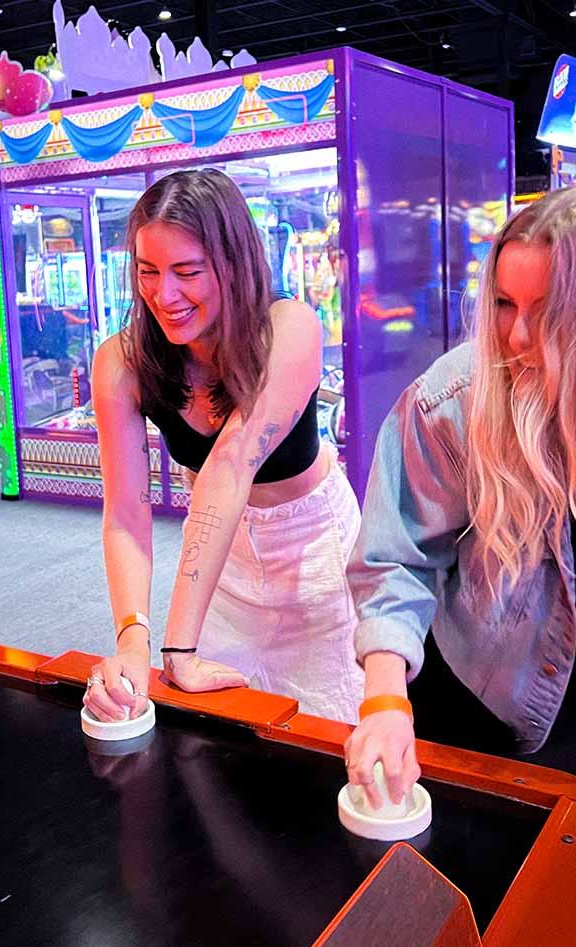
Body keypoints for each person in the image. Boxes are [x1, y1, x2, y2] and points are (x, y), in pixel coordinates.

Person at [344, 183, 576, 947]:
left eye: (551, 312)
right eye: (503, 303)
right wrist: (385, 699)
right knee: (461, 923)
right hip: (472, 678)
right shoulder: (452, 403)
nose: (518, 338)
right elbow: (395, 559)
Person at [82, 169, 363, 725]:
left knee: (329, 731)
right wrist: (135, 637)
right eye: (148, 271)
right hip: (219, 556)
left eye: (187, 271)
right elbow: (125, 518)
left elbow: (230, 466)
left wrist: (178, 649)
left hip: (314, 555)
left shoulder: (289, 327)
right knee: (216, 733)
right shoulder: (121, 362)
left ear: (233, 265)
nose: (165, 295)